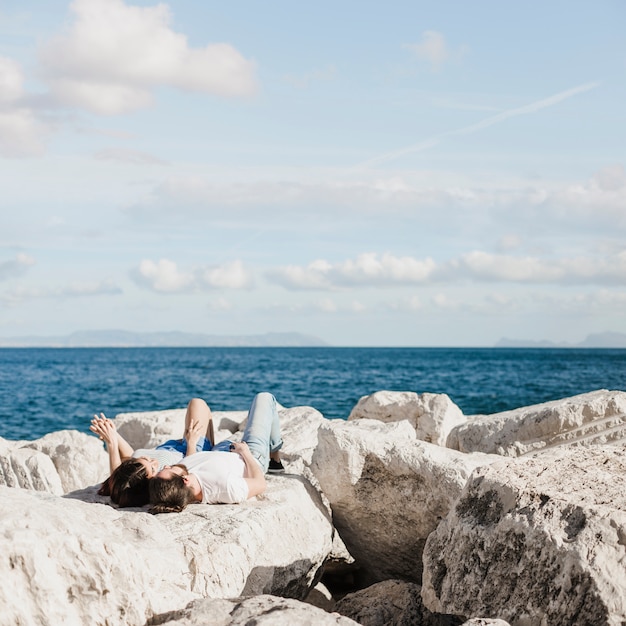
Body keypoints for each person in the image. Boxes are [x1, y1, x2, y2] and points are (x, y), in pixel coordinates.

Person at [148, 391, 284, 514]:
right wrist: (246, 453)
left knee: (197, 403)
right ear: (186, 480)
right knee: (264, 398)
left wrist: (191, 443)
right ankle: (274, 459)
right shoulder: (225, 488)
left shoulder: (183, 482)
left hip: (218, 450)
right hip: (248, 455)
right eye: (169, 469)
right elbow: (260, 484)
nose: (166, 466)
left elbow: (191, 462)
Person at [90, 398, 215, 507]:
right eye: (154, 468)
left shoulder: (137, 472)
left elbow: (123, 468)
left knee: (202, 409)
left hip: (173, 446)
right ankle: (212, 449)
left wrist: (112, 435)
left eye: (146, 459)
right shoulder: (162, 482)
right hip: (191, 450)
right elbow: (190, 469)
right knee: (197, 403)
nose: (153, 461)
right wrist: (191, 443)